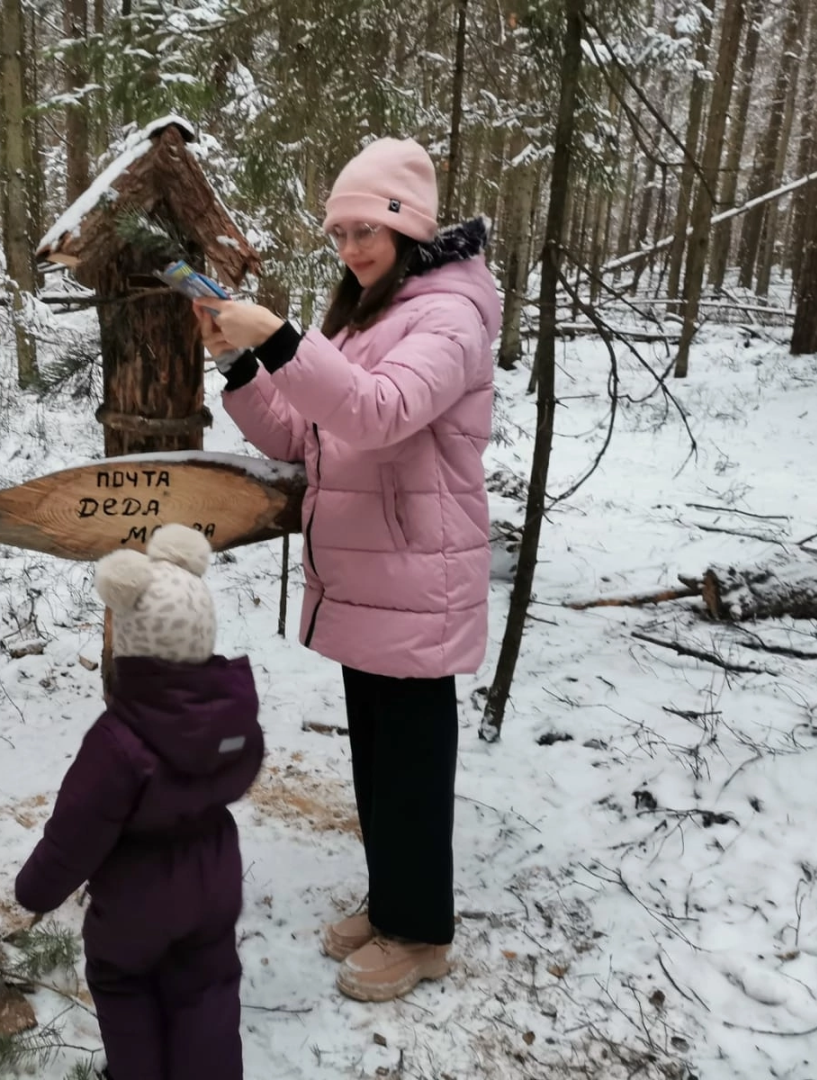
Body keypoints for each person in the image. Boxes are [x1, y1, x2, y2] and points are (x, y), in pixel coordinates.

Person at [193, 137, 502, 1003]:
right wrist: (240, 361)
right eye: (339, 233)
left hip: (417, 573)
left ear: (410, 228)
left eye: (367, 229)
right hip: (371, 575)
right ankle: (393, 903)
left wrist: (287, 338)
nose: (352, 248)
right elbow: (305, 434)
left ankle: (423, 933)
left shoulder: (450, 315)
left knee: (411, 762)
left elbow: (378, 413)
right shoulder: (369, 313)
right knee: (378, 760)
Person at [15, 524, 264, 1080]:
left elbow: (76, 832)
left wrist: (35, 889)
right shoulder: (231, 718)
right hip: (214, 880)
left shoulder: (117, 740)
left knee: (125, 987)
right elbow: (242, 773)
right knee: (208, 986)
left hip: (136, 901)